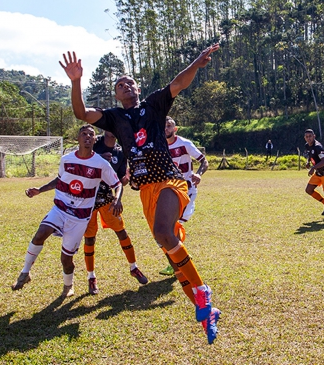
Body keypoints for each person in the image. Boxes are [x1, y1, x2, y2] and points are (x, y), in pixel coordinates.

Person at [60, 44, 222, 344]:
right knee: (167, 245)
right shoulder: (113, 118)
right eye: (120, 85)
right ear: (116, 95)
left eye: (130, 82)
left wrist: (196, 65)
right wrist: (75, 81)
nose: (126, 86)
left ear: (137, 88)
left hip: (170, 180)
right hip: (145, 189)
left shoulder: (154, 104)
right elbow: (81, 112)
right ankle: (206, 311)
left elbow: (178, 83)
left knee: (164, 232)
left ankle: (202, 291)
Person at [11, 125, 122, 298]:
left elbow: (117, 184)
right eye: (83, 134)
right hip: (60, 208)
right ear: (77, 138)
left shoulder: (101, 164)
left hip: (80, 217)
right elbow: (60, 180)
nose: (87, 137)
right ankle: (25, 273)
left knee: (66, 259)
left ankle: (68, 285)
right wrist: (39, 190)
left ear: (94, 140)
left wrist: (117, 198)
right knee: (40, 234)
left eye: (91, 135)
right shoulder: (66, 159)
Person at [83, 129, 149, 295]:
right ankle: (91, 277)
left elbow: (120, 181)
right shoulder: (94, 144)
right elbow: (80, 164)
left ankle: (134, 268)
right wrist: (97, 160)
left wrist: (127, 178)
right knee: (90, 239)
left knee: (122, 233)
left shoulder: (120, 153)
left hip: (107, 199)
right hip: (87, 200)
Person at [159, 116, 209, 276]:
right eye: (163, 126)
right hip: (168, 191)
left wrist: (199, 175)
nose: (166, 129)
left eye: (169, 126)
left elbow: (204, 161)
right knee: (165, 228)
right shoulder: (158, 146)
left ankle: (177, 261)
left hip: (187, 190)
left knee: (172, 226)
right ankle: (179, 258)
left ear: (175, 129)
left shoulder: (184, 144)